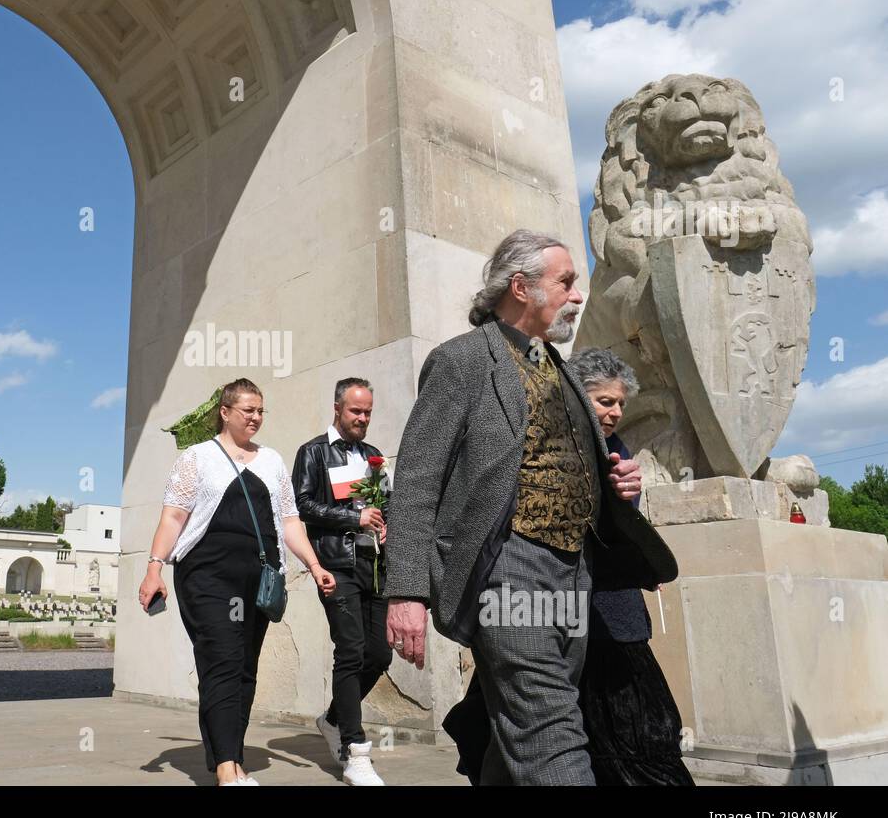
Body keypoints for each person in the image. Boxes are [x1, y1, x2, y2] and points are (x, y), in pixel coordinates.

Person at [385, 229, 677, 785]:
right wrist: (405, 591)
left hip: (575, 571)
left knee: (523, 725)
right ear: (520, 287)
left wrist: (617, 484)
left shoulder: (564, 372)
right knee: (551, 731)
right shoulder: (462, 362)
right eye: (565, 282)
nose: (577, 295)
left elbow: (575, 469)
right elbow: (419, 479)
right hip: (507, 570)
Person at [444, 348, 694, 786]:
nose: (616, 413)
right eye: (605, 401)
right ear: (575, 396)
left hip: (609, 619)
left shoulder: (618, 454)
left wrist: (624, 499)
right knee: (518, 741)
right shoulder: (533, 442)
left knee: (635, 745)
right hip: (537, 614)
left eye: (620, 404)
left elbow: (612, 535)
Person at [138, 378, 336, 786]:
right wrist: (155, 566)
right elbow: (173, 517)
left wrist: (314, 565)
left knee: (244, 669)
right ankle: (228, 768)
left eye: (261, 410)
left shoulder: (272, 461)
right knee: (222, 661)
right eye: (248, 410)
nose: (256, 417)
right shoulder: (198, 458)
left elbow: (290, 520)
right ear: (225, 412)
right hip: (207, 575)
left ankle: (231, 756)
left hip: (259, 580)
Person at [292, 377, 390, 785]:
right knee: (349, 650)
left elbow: (386, 501)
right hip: (336, 564)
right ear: (338, 409)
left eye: (368, 412)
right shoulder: (313, 452)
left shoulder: (374, 455)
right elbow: (301, 504)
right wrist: (353, 518)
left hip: (374, 565)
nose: (363, 418)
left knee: (379, 656)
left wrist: (387, 524)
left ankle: (332, 719)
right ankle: (356, 752)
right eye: (356, 411)